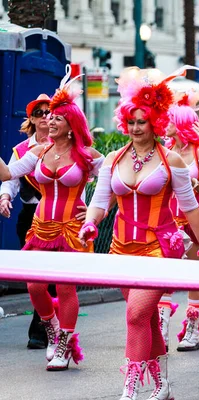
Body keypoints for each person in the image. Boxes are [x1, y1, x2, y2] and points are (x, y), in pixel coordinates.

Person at [80, 66, 199, 400]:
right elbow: (100, 201)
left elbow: (191, 207)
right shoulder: (113, 158)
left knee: (136, 313)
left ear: (154, 120)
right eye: (132, 121)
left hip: (159, 248)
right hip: (122, 248)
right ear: (125, 121)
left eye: (143, 121)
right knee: (148, 318)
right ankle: (163, 383)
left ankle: (131, 385)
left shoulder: (172, 162)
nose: (137, 128)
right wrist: (90, 222)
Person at [0, 71, 104, 371]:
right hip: (42, 227)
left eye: (57, 117)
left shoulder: (86, 155)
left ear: (71, 125)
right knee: (34, 286)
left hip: (73, 227)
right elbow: (9, 174)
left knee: (67, 288)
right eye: (49, 117)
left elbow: (115, 180)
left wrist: (99, 208)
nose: (50, 121)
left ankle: (64, 344)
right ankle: (52, 327)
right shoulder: (38, 152)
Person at [157, 90, 199, 353]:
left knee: (194, 276)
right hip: (167, 219)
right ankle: (160, 332)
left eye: (170, 120)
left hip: (194, 218)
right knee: (165, 277)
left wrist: (195, 184)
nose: (164, 124)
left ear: (180, 124)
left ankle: (192, 332)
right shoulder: (164, 151)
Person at [0, 94, 60, 350]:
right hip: (31, 219)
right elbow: (10, 179)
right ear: (32, 120)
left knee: (57, 278)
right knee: (37, 277)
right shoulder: (23, 151)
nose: (46, 116)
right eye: (40, 113)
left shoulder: (66, 146)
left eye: (50, 112)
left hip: (61, 218)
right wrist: (4, 197)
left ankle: (47, 328)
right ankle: (46, 325)